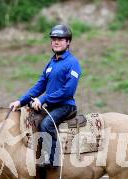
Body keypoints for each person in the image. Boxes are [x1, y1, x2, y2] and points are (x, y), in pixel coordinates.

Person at [9, 24, 82, 169]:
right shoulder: (51, 63)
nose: (56, 42)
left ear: (68, 42)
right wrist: (21, 101)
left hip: (65, 106)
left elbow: (68, 90)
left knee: (46, 124)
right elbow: (39, 86)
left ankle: (52, 160)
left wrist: (43, 99)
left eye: (60, 39)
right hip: (51, 106)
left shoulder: (73, 63)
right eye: (54, 39)